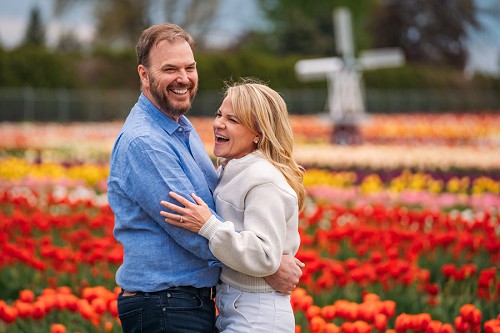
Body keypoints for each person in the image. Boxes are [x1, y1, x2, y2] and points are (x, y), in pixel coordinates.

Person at [107, 23, 303, 333]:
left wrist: (261, 261)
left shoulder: (181, 129)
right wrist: (268, 268)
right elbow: (190, 228)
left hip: (188, 305)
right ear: (144, 75)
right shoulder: (146, 143)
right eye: (170, 68)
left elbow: (210, 214)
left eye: (190, 67)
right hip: (166, 306)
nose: (183, 78)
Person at [160, 78, 306, 332]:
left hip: (257, 312)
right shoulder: (231, 169)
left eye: (233, 120)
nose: (218, 124)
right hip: (236, 305)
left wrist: (208, 226)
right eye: (219, 114)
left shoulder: (262, 180)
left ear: (258, 134)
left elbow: (265, 256)